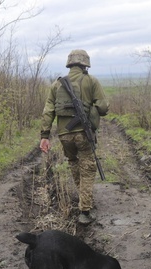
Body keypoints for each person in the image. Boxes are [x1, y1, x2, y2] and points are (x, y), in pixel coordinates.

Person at [39, 49, 109, 225]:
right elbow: (103, 108)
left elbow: (48, 111)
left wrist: (45, 136)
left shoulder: (56, 85)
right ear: (85, 64)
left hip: (64, 135)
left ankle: (84, 198)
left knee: (74, 163)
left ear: (69, 63)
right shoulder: (91, 81)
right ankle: (85, 210)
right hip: (83, 134)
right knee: (88, 167)